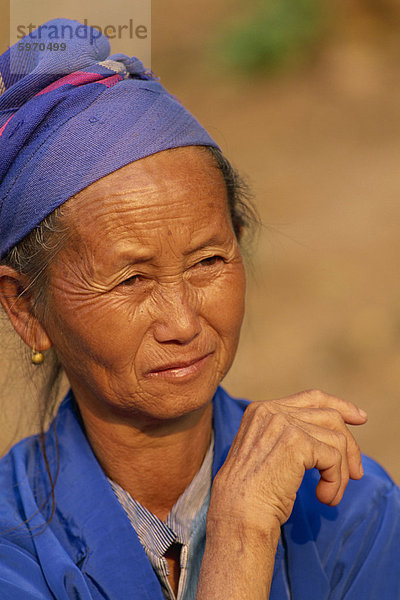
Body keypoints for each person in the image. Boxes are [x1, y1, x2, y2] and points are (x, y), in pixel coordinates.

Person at [0, 18, 399, 600]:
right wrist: (239, 538)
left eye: (209, 261)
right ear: (27, 308)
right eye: (133, 278)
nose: (184, 322)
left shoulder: (346, 510)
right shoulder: (15, 552)